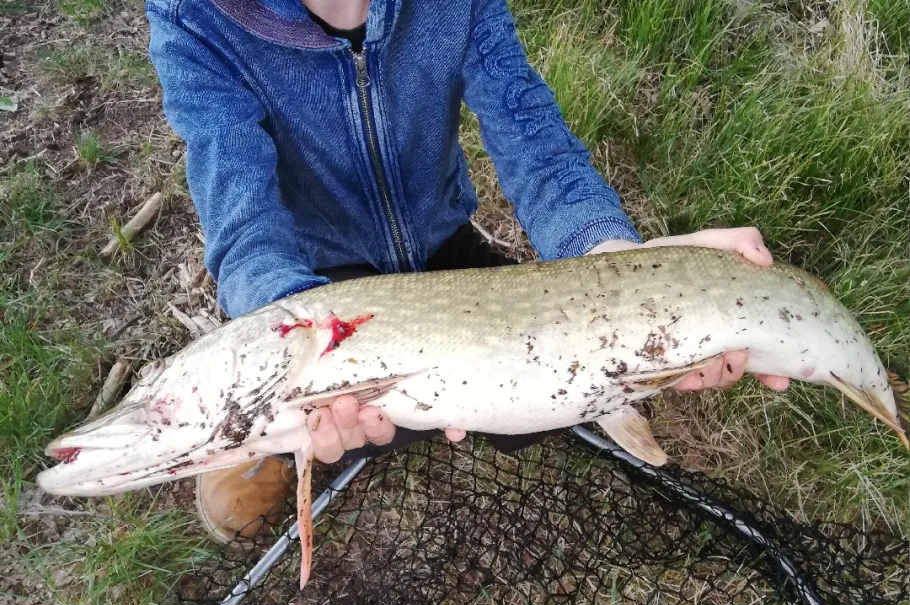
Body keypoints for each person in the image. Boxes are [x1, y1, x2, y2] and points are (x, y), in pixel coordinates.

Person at [145, 0, 789, 545]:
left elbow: (529, 131)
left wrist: (607, 257)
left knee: (537, 412)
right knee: (322, 421)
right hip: (314, 281)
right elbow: (243, 220)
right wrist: (294, 330)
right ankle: (256, 437)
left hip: (441, 250)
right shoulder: (192, 17)